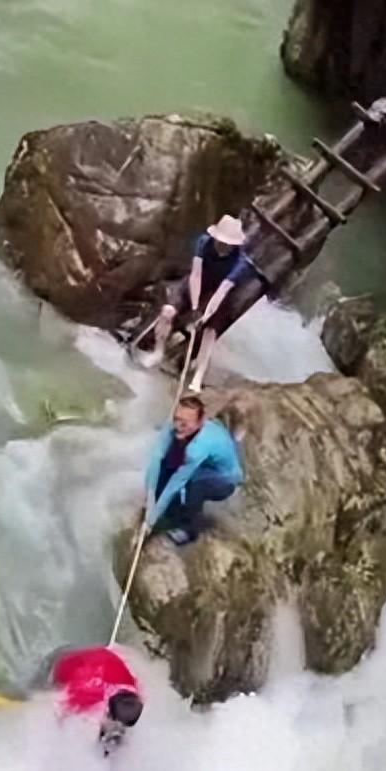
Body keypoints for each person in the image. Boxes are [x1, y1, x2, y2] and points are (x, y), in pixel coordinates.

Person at [137, 214, 253, 392]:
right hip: (197, 283)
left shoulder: (240, 262)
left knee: (209, 332)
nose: (221, 244)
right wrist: (194, 307)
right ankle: (158, 352)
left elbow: (222, 290)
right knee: (167, 311)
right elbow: (196, 274)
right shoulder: (203, 242)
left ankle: (198, 375)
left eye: (226, 242)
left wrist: (205, 315)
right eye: (219, 240)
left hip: (217, 293)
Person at [145, 394, 243, 545]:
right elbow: (155, 459)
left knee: (195, 486)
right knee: (166, 464)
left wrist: (151, 520)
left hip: (225, 479)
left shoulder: (198, 448)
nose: (178, 426)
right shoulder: (173, 427)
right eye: (176, 419)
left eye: (184, 423)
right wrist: (150, 496)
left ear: (199, 423)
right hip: (204, 466)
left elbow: (177, 482)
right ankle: (169, 511)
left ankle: (189, 530)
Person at [40, 645, 144, 755]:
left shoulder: (133, 688)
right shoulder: (88, 690)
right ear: (107, 709)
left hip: (98, 656)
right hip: (64, 662)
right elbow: (61, 711)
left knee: (113, 731)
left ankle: (108, 748)